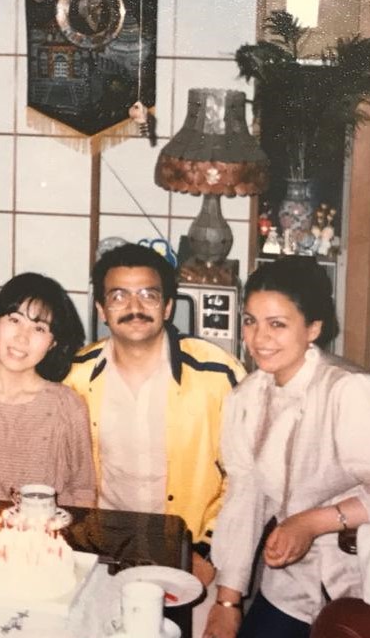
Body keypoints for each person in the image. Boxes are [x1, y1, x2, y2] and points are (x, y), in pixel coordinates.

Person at [204, 257, 370, 638]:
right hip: (288, 584)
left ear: (313, 328)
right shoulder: (246, 398)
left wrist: (310, 522)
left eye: (277, 324)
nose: (258, 338)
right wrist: (228, 600)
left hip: (367, 587)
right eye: (251, 320)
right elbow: (246, 498)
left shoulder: (352, 392)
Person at [63, 243, 245, 623]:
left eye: (148, 294)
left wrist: (209, 552)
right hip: (105, 553)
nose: (135, 306)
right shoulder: (75, 376)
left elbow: (245, 478)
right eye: (119, 295)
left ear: (167, 306)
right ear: (101, 309)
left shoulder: (217, 373)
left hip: (193, 555)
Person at [0, 272, 95, 506]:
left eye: (39, 328)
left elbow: (83, 490)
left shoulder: (67, 405)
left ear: (53, 343)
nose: (22, 338)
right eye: (14, 320)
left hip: (45, 535)